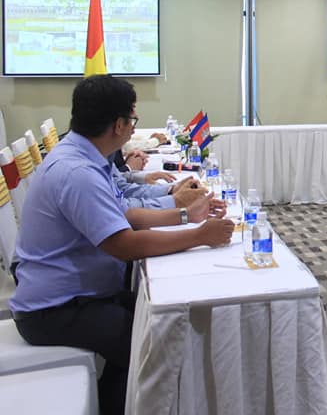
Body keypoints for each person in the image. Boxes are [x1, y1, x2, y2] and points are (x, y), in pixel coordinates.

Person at [10, 75, 234, 415]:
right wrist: (199, 235)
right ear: (118, 125)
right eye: (133, 120)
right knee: (155, 340)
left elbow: (124, 213)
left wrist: (186, 215)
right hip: (54, 310)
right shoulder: (77, 172)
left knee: (168, 317)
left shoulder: (83, 156)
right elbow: (124, 245)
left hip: (79, 295)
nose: (133, 128)